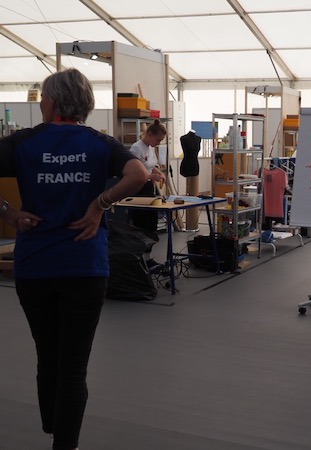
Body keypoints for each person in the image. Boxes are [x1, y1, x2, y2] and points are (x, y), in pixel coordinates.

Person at [0, 68, 148, 450]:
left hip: (35, 267)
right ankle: (64, 442)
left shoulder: (24, 142)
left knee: (47, 353)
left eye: (42, 99)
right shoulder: (100, 144)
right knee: (73, 365)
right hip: (85, 267)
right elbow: (138, 173)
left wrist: (9, 213)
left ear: (51, 102)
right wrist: (99, 205)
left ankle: (52, 426)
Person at [128, 119, 167, 265]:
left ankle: (147, 258)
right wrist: (150, 176)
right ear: (149, 134)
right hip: (138, 190)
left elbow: (151, 166)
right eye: (158, 140)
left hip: (149, 189)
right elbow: (133, 171)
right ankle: (139, 260)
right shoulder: (136, 148)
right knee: (141, 225)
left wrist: (159, 173)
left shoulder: (150, 148)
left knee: (151, 225)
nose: (158, 143)